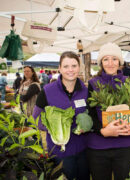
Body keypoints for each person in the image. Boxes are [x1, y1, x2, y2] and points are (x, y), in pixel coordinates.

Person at [87, 42, 130, 180]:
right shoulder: (93, 84)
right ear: (101, 63)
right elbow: (90, 114)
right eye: (106, 59)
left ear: (120, 62)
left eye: (114, 59)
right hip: (99, 147)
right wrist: (102, 131)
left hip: (126, 146)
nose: (110, 63)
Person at [33, 51, 90, 180]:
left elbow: (91, 115)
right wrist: (55, 129)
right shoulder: (47, 91)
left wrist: (86, 126)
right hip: (59, 152)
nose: (70, 70)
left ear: (79, 67)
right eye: (66, 66)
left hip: (83, 150)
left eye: (74, 66)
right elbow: (36, 117)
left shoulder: (86, 91)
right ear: (59, 68)